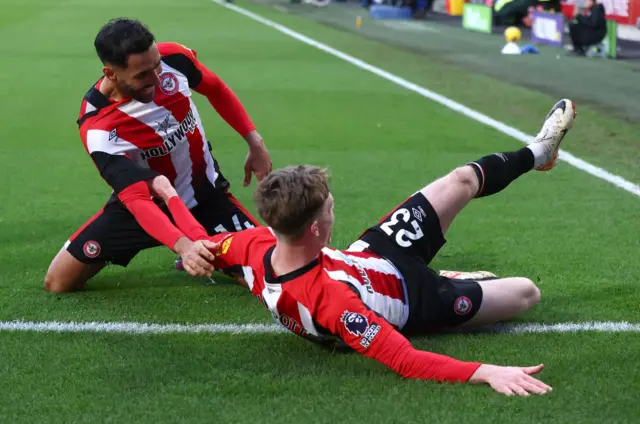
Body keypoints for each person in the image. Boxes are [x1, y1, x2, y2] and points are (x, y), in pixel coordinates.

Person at [153, 99, 576, 395]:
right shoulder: (336, 305)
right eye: (330, 207)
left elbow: (204, 246)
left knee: (459, 182)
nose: (334, 208)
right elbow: (407, 362)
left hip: (372, 255)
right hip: (416, 300)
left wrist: (168, 193)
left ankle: (540, 151)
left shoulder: (256, 243)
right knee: (525, 291)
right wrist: (486, 372)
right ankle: (447, 282)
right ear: (317, 230)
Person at [44, 18, 272, 293]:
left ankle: (215, 251)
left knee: (268, 272)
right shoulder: (99, 127)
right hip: (145, 207)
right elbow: (137, 199)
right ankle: (199, 250)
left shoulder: (174, 58)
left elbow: (215, 88)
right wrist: (185, 246)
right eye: (141, 75)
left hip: (206, 197)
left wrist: (254, 141)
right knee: (59, 282)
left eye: (156, 65)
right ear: (111, 73)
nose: (155, 78)